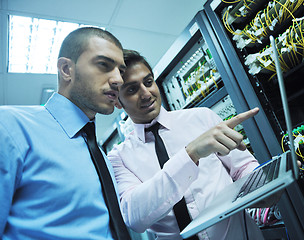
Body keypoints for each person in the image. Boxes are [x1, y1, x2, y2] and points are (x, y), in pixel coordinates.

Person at [108, 50, 265, 239]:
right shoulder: (119, 157)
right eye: (132, 89)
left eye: (149, 82)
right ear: (117, 101)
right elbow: (135, 217)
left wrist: (266, 186)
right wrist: (190, 154)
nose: (146, 93)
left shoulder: (201, 117)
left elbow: (243, 168)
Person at [0, 27, 131, 239]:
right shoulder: (10, 127)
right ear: (66, 69)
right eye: (104, 65)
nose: (118, 80)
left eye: (121, 71)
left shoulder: (101, 158)